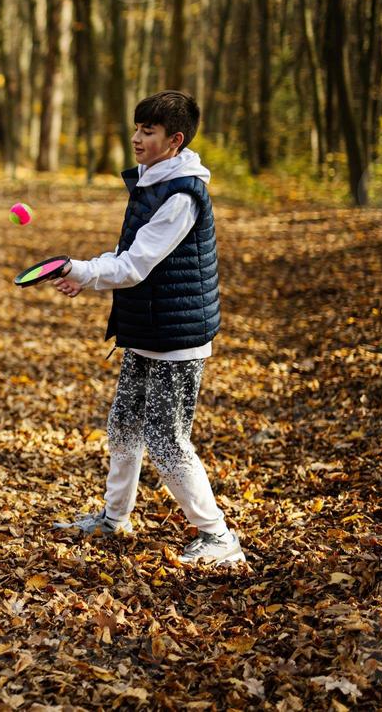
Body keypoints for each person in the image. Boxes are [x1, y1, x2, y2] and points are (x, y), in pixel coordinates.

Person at [49, 90, 244, 567]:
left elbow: (136, 264)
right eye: (136, 128)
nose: (136, 138)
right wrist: (87, 277)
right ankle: (114, 519)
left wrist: (81, 270)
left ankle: (217, 536)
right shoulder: (154, 180)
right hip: (148, 330)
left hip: (177, 339)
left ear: (174, 140)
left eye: (148, 131)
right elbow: (131, 259)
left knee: (167, 438)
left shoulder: (181, 194)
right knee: (124, 426)